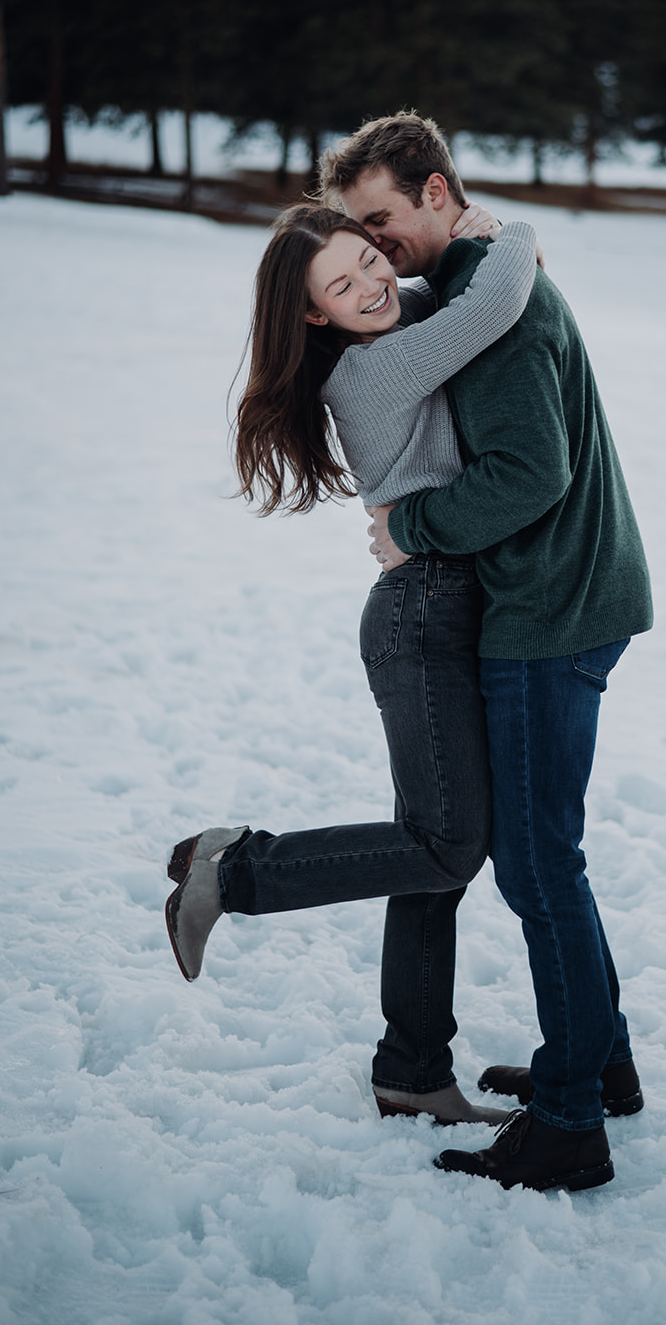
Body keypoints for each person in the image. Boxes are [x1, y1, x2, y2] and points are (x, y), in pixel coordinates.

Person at [321, 111, 653, 1193]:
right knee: (548, 856)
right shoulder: (475, 290)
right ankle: (599, 1066)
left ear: (435, 191)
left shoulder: (491, 304)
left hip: (549, 610)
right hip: (568, 596)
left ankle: (568, 1124)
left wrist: (409, 527)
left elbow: (529, 472)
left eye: (380, 220)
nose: (376, 247)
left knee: (538, 866)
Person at [165, 198, 541, 1127]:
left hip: (447, 605)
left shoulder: (396, 326)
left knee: (435, 855)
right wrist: (508, 233)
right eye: (342, 284)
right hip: (423, 613)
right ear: (313, 313)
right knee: (445, 845)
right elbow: (495, 303)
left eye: (369, 260)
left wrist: (456, 258)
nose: (372, 284)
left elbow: (451, 300)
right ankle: (235, 872)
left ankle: (411, 1072)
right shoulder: (372, 369)